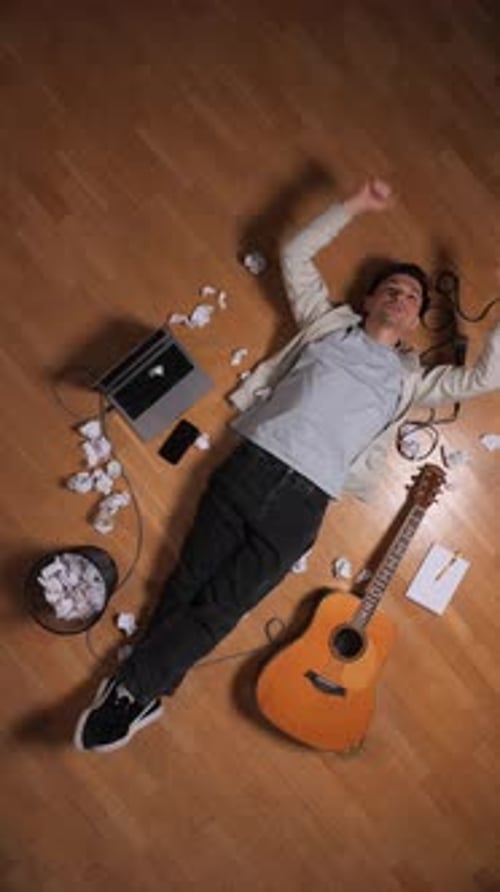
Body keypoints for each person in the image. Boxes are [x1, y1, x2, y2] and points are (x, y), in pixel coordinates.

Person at [74, 179, 500, 753]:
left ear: (415, 320)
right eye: (394, 289)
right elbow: (294, 254)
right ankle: (143, 691)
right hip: (251, 465)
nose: (403, 299)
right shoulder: (324, 324)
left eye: (413, 300)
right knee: (188, 584)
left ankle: (132, 687)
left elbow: (484, 379)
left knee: (224, 604)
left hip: (303, 506)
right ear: (370, 299)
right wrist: (354, 205)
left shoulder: (411, 382)